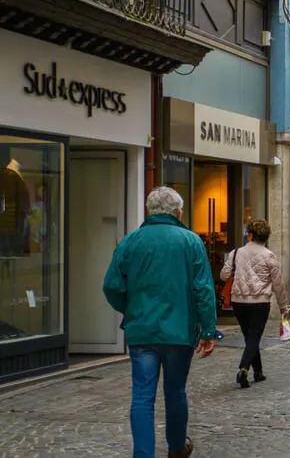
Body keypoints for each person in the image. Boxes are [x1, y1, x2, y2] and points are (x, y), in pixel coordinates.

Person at [102, 186, 216, 458]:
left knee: (142, 395)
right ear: (179, 212)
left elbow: (111, 286)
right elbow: (203, 289)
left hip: (142, 330)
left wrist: (130, 310)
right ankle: (176, 447)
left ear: (148, 210)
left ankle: (143, 453)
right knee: (175, 391)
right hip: (179, 331)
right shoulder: (191, 242)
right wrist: (209, 329)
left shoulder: (131, 241)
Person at [220, 219, 289, 389]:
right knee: (254, 337)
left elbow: (223, 275)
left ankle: (258, 372)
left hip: (239, 301)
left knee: (250, 337)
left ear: (250, 235)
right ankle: (243, 370)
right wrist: (283, 306)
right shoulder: (269, 256)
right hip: (260, 302)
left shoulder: (236, 253)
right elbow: (278, 284)